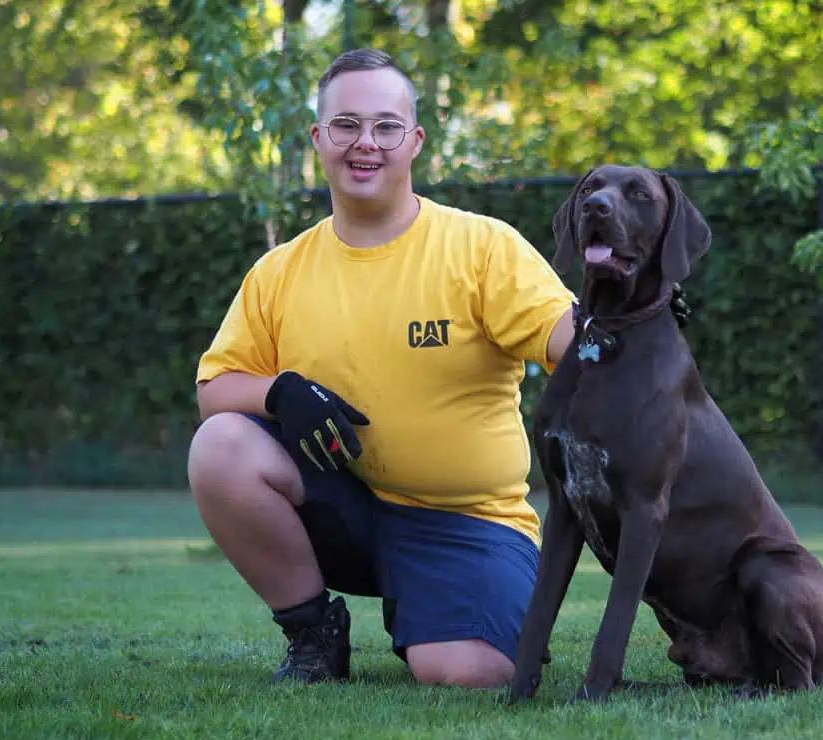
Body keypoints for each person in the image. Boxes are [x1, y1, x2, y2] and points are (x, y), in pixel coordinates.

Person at [187, 48, 689, 689]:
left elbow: (574, 343)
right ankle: (313, 634)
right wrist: (280, 392)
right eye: (344, 125)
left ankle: (435, 610)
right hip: (344, 511)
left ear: (414, 140)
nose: (364, 143)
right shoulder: (279, 270)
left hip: (466, 521)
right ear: (318, 138)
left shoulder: (481, 247)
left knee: (472, 673)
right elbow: (215, 391)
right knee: (222, 445)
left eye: (385, 126)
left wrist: (637, 318)